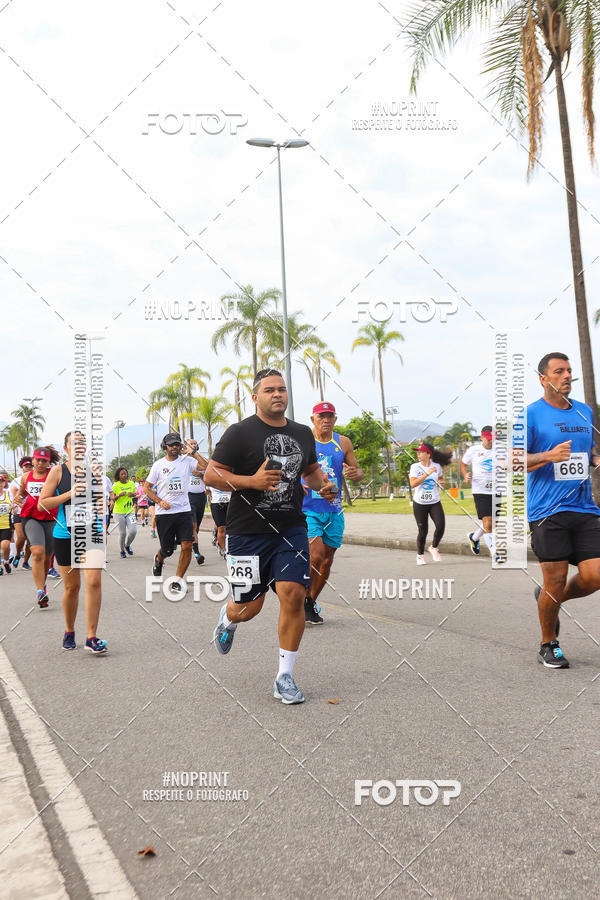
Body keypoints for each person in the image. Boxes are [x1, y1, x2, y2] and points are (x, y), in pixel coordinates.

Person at [204, 368, 336, 705]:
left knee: (293, 594)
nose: (277, 394)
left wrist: (324, 485)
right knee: (249, 607)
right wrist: (252, 482)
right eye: (269, 390)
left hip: (290, 528)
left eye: (282, 389)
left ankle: (284, 677)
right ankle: (228, 618)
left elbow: (309, 470)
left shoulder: (303, 433)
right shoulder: (239, 433)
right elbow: (212, 475)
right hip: (247, 532)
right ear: (255, 396)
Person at [527, 352, 600, 669]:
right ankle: (548, 643)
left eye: (569, 370)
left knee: (595, 575)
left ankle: (550, 599)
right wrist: (547, 456)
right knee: (555, 580)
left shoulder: (584, 412)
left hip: (585, 507)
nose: (567, 375)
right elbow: (512, 461)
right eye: (559, 371)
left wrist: (596, 460)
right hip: (547, 510)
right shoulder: (529, 415)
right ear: (544, 379)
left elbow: (590, 451)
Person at [39, 431, 107, 653]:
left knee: (94, 581)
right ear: (66, 447)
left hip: (90, 532)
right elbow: (43, 504)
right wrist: (69, 494)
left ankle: (91, 637)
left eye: (82, 444)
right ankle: (69, 630)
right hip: (65, 535)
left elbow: (98, 501)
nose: (79, 447)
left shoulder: (93, 471)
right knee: (72, 587)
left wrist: (102, 523)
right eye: (74, 443)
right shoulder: (58, 471)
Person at [302, 401, 363, 624]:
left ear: (335, 419)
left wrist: (357, 474)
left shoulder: (343, 442)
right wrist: (298, 483)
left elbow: (356, 471)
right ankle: (300, 595)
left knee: (327, 560)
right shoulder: (304, 441)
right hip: (309, 509)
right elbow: (291, 468)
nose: (326, 420)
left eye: (330, 416)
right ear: (313, 419)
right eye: (321, 416)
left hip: (334, 510)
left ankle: (309, 601)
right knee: (316, 555)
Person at [143, 433, 207, 591]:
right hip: (165, 513)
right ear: (165, 446)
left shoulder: (187, 461)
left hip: (184, 511)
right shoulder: (158, 465)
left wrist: (193, 452)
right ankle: (159, 559)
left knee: (187, 546)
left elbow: (206, 466)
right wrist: (159, 501)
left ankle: (178, 580)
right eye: (171, 445)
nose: (175, 448)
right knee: (168, 550)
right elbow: (147, 488)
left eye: (177, 445)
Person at [13, 446, 60, 607]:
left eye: (44, 460)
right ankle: (40, 591)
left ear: (48, 462)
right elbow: (22, 493)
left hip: (51, 518)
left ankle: (43, 585)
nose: (40, 463)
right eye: (37, 460)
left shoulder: (54, 475)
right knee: (38, 552)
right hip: (30, 517)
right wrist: (18, 499)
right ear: (32, 460)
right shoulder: (26, 477)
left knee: (47, 557)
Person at [409, 443, 452, 565]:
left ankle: (433, 547)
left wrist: (442, 483)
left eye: (421, 452)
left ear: (428, 454)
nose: (418, 454)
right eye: (417, 452)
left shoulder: (436, 466)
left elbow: (440, 480)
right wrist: (427, 473)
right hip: (420, 503)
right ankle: (420, 555)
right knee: (423, 530)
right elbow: (413, 484)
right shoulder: (415, 467)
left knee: (441, 526)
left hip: (434, 501)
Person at [462, 426, 496, 558]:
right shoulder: (474, 450)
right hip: (480, 490)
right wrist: (465, 475)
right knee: (488, 523)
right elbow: (463, 464)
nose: (490, 442)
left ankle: (474, 537)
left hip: (496, 490)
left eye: (492, 439)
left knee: (494, 522)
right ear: (482, 438)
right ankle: (495, 553)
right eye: (488, 439)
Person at [9, 456, 33, 569]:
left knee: (30, 540)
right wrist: (20, 505)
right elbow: (15, 499)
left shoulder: (35, 480)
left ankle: (26, 562)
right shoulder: (16, 481)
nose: (28, 468)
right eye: (25, 466)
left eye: (30, 466)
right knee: (21, 536)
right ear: (22, 468)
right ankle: (18, 554)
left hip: (32, 513)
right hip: (19, 512)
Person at [112, 467, 137, 559]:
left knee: (133, 531)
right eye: (122, 474)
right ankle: (122, 550)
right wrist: (119, 495)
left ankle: (127, 545)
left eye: (125, 473)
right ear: (118, 475)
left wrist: (132, 494)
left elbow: (135, 494)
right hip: (119, 512)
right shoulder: (115, 485)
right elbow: (112, 498)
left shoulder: (131, 483)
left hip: (130, 511)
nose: (124, 475)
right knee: (122, 533)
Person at [188, 463, 209, 564]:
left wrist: (200, 475)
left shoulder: (202, 463)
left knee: (197, 527)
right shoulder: (184, 462)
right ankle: (197, 553)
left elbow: (210, 480)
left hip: (201, 497)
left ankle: (189, 541)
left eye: (194, 445)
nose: (192, 446)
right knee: (193, 525)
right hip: (189, 497)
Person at [207, 484, 231, 558]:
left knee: (231, 528)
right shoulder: (211, 475)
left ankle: (229, 547)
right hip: (216, 504)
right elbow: (207, 491)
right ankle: (224, 550)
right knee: (221, 528)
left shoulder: (229, 474)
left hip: (230, 503)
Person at [0, 470, 13, 574]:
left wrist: (16, 508)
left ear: (4, 483)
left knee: (5, 545)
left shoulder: (9, 494)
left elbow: (16, 503)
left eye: (1, 482)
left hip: (6, 525)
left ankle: (6, 561)